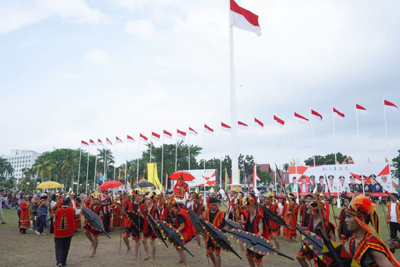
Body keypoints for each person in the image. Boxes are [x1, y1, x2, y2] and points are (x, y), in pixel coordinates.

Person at [345, 195, 400, 266]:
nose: (345, 220)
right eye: (346, 216)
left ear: (361, 219)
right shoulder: (353, 239)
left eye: (349, 217)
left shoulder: (371, 246)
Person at [297, 200, 336, 267]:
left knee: (317, 264)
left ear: (314, 210)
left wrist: (330, 249)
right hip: (311, 244)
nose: (308, 210)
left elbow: (332, 236)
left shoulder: (325, 223)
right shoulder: (311, 219)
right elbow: (310, 230)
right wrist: (301, 228)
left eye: (309, 208)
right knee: (299, 256)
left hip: (320, 247)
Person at [242, 197, 268, 267]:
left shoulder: (259, 216)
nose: (244, 210)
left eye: (246, 208)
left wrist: (255, 238)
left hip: (258, 241)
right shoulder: (249, 214)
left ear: (251, 206)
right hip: (250, 240)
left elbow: (261, 231)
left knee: (258, 261)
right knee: (249, 257)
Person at [201, 197, 226, 267]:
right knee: (209, 252)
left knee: (217, 253)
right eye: (213, 205)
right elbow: (202, 223)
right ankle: (215, 264)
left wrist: (221, 233)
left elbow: (223, 226)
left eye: (215, 205)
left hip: (217, 236)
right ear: (209, 204)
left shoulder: (221, 213)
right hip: (208, 236)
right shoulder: (206, 212)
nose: (214, 206)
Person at [54, 197, 76, 267]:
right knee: (66, 247)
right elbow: (78, 212)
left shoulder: (57, 211)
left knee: (58, 247)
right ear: (69, 203)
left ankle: (59, 262)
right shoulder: (71, 210)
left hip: (58, 232)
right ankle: (63, 261)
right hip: (68, 232)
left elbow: (54, 221)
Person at [84, 191, 103, 257]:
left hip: (96, 223)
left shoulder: (100, 206)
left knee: (95, 237)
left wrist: (96, 217)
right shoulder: (91, 205)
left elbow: (101, 214)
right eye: (94, 199)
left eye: (96, 199)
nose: (95, 201)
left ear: (98, 200)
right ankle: (92, 242)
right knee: (86, 232)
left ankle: (94, 251)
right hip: (91, 223)